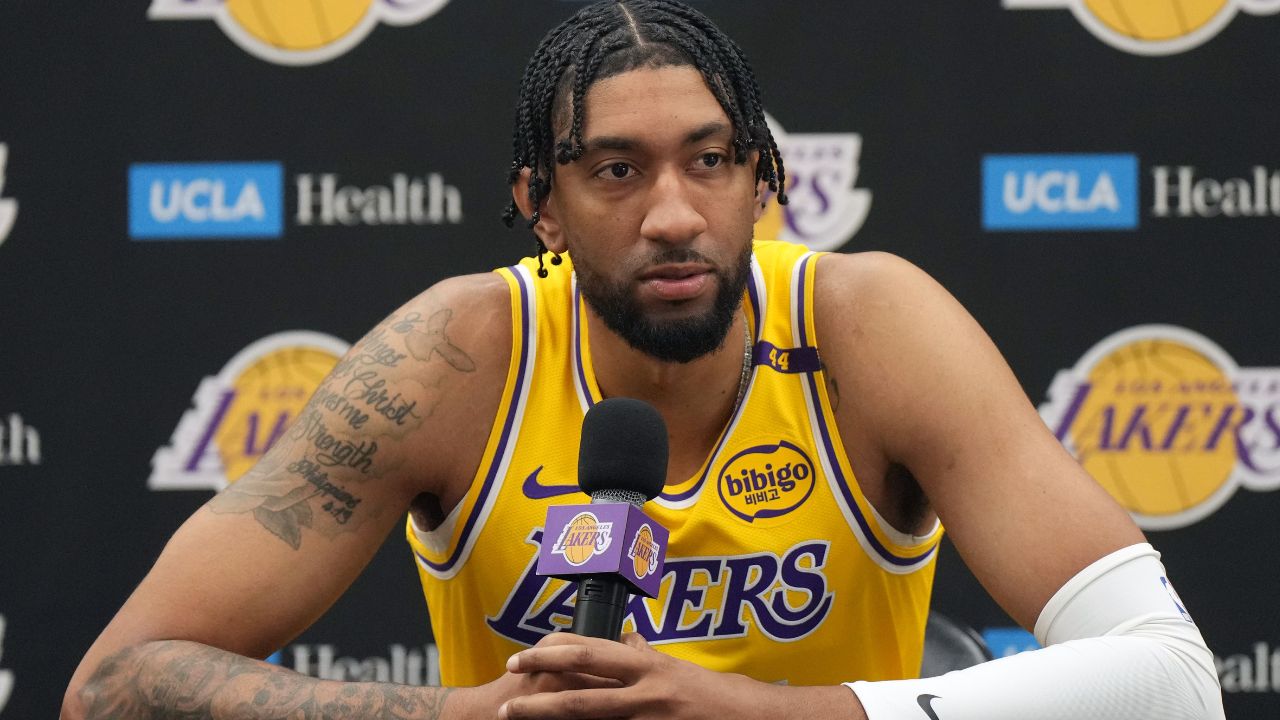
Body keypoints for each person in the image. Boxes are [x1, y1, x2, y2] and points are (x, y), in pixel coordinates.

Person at [63, 2, 1224, 718]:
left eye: (709, 162)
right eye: (616, 171)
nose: (672, 214)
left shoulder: (869, 326)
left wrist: (758, 716)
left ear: (763, 183)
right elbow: (115, 685)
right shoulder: (454, 356)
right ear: (541, 205)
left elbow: (1169, 679)